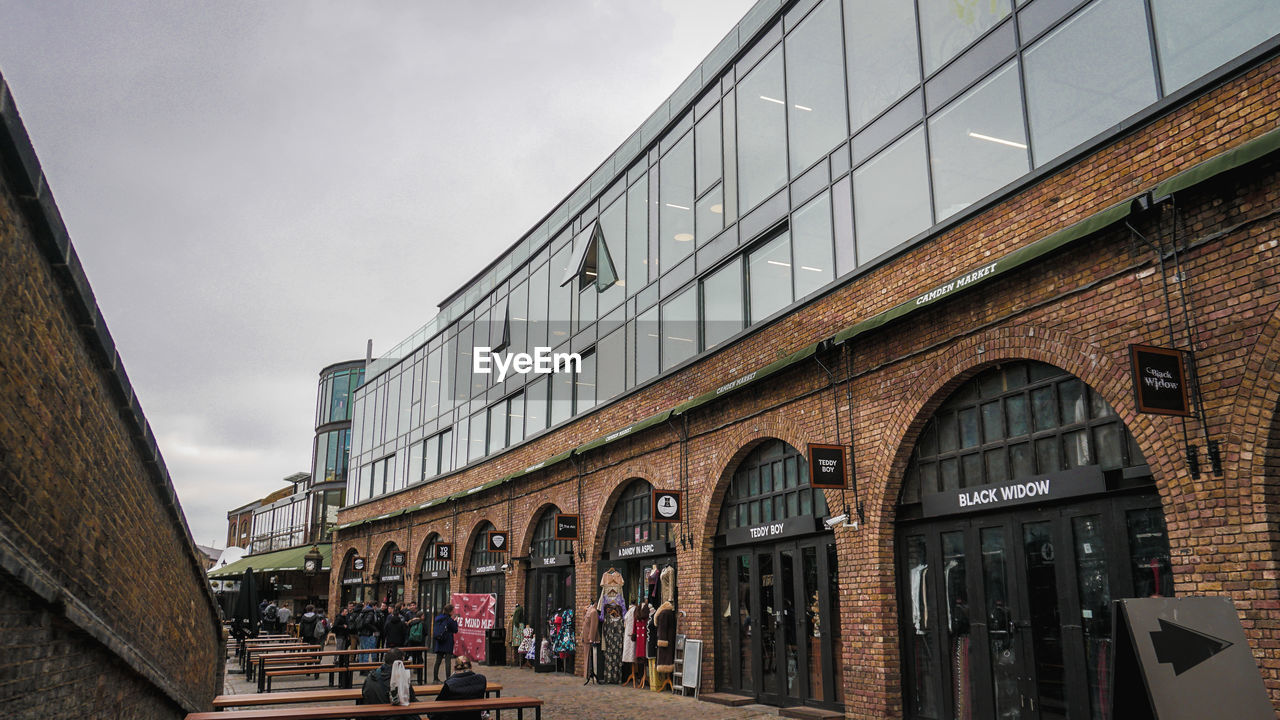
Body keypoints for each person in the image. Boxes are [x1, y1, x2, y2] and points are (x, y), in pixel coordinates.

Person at [360, 647, 419, 720]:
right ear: (400, 662)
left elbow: (364, 695)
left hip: (374, 716)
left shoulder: (370, 677)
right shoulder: (400, 679)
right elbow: (410, 699)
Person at [431, 655, 487, 720]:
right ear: (471, 667)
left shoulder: (450, 684)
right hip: (474, 717)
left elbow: (438, 704)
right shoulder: (481, 680)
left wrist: (451, 677)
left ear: (454, 668)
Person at [432, 604, 459, 683]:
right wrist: (455, 621)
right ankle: (448, 679)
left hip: (439, 641)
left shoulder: (438, 618)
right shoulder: (449, 620)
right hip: (447, 641)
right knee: (448, 661)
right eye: (453, 611)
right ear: (450, 612)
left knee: (438, 661)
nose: (454, 612)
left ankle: (435, 678)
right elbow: (455, 630)